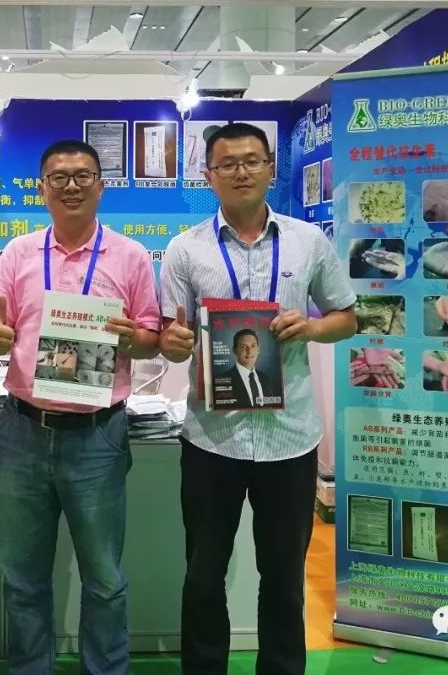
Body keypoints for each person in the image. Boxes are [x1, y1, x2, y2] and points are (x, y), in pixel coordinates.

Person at [157, 122, 356, 675]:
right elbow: (170, 334)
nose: (240, 172)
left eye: (251, 161)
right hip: (211, 441)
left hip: (289, 441)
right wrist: (173, 343)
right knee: (203, 576)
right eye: (227, 164)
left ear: (271, 167)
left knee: (284, 578)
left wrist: (311, 328)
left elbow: (347, 316)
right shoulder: (185, 250)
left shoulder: (308, 242)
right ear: (209, 176)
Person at [0, 139, 161, 675]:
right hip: (24, 429)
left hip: (97, 435)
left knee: (103, 576)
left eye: (83, 176)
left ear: (101, 186)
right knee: (22, 574)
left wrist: (132, 339)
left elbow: (150, 336)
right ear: (41, 188)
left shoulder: (129, 256)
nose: (71, 185)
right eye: (58, 177)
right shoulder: (18, 253)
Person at [215, 329, 277, 408]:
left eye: (253, 346)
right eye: (243, 347)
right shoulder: (222, 380)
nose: (249, 351)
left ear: (258, 350)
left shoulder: (265, 378)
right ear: (235, 350)